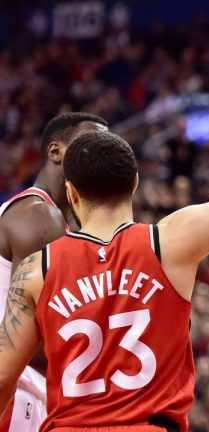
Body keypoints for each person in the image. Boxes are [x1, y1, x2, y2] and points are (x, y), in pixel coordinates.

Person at [0, 17, 209, 431]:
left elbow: (1, 379)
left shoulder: (36, 269)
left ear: (71, 194)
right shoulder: (169, 242)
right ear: (135, 184)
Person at [0, 112, 108, 432]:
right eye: (90, 145)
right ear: (55, 152)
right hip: (16, 392)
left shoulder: (39, 214)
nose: (100, 155)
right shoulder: (42, 217)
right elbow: (26, 340)